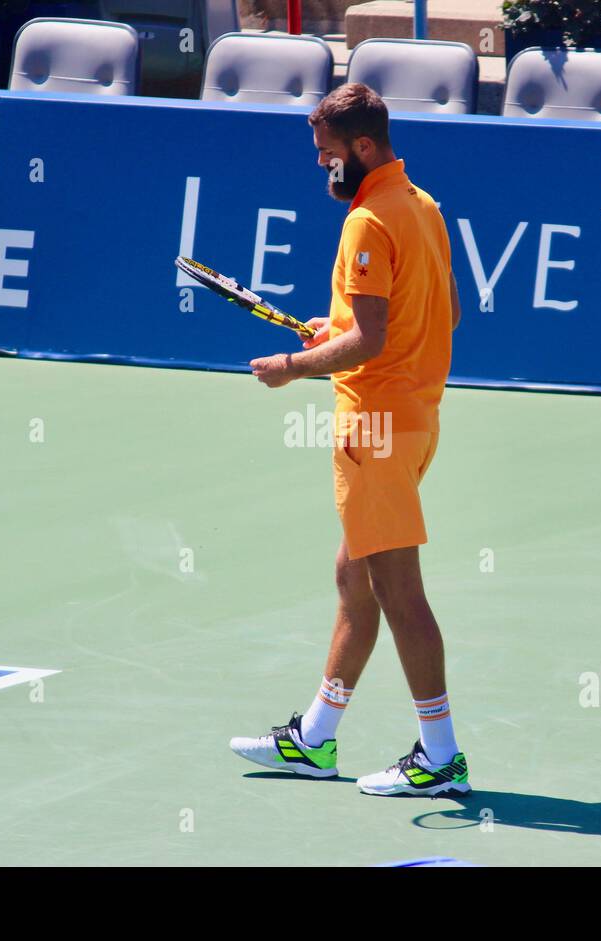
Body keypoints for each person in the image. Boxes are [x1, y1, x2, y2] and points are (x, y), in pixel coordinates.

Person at [229, 83, 467, 797]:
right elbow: (441, 313)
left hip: (376, 428)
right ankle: (316, 738)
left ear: (363, 148)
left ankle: (441, 756)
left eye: (328, 154)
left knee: (399, 592)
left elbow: (371, 337)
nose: (322, 166)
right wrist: (340, 335)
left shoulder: (367, 222)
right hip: (416, 420)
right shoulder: (422, 206)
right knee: (354, 579)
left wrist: (295, 366)